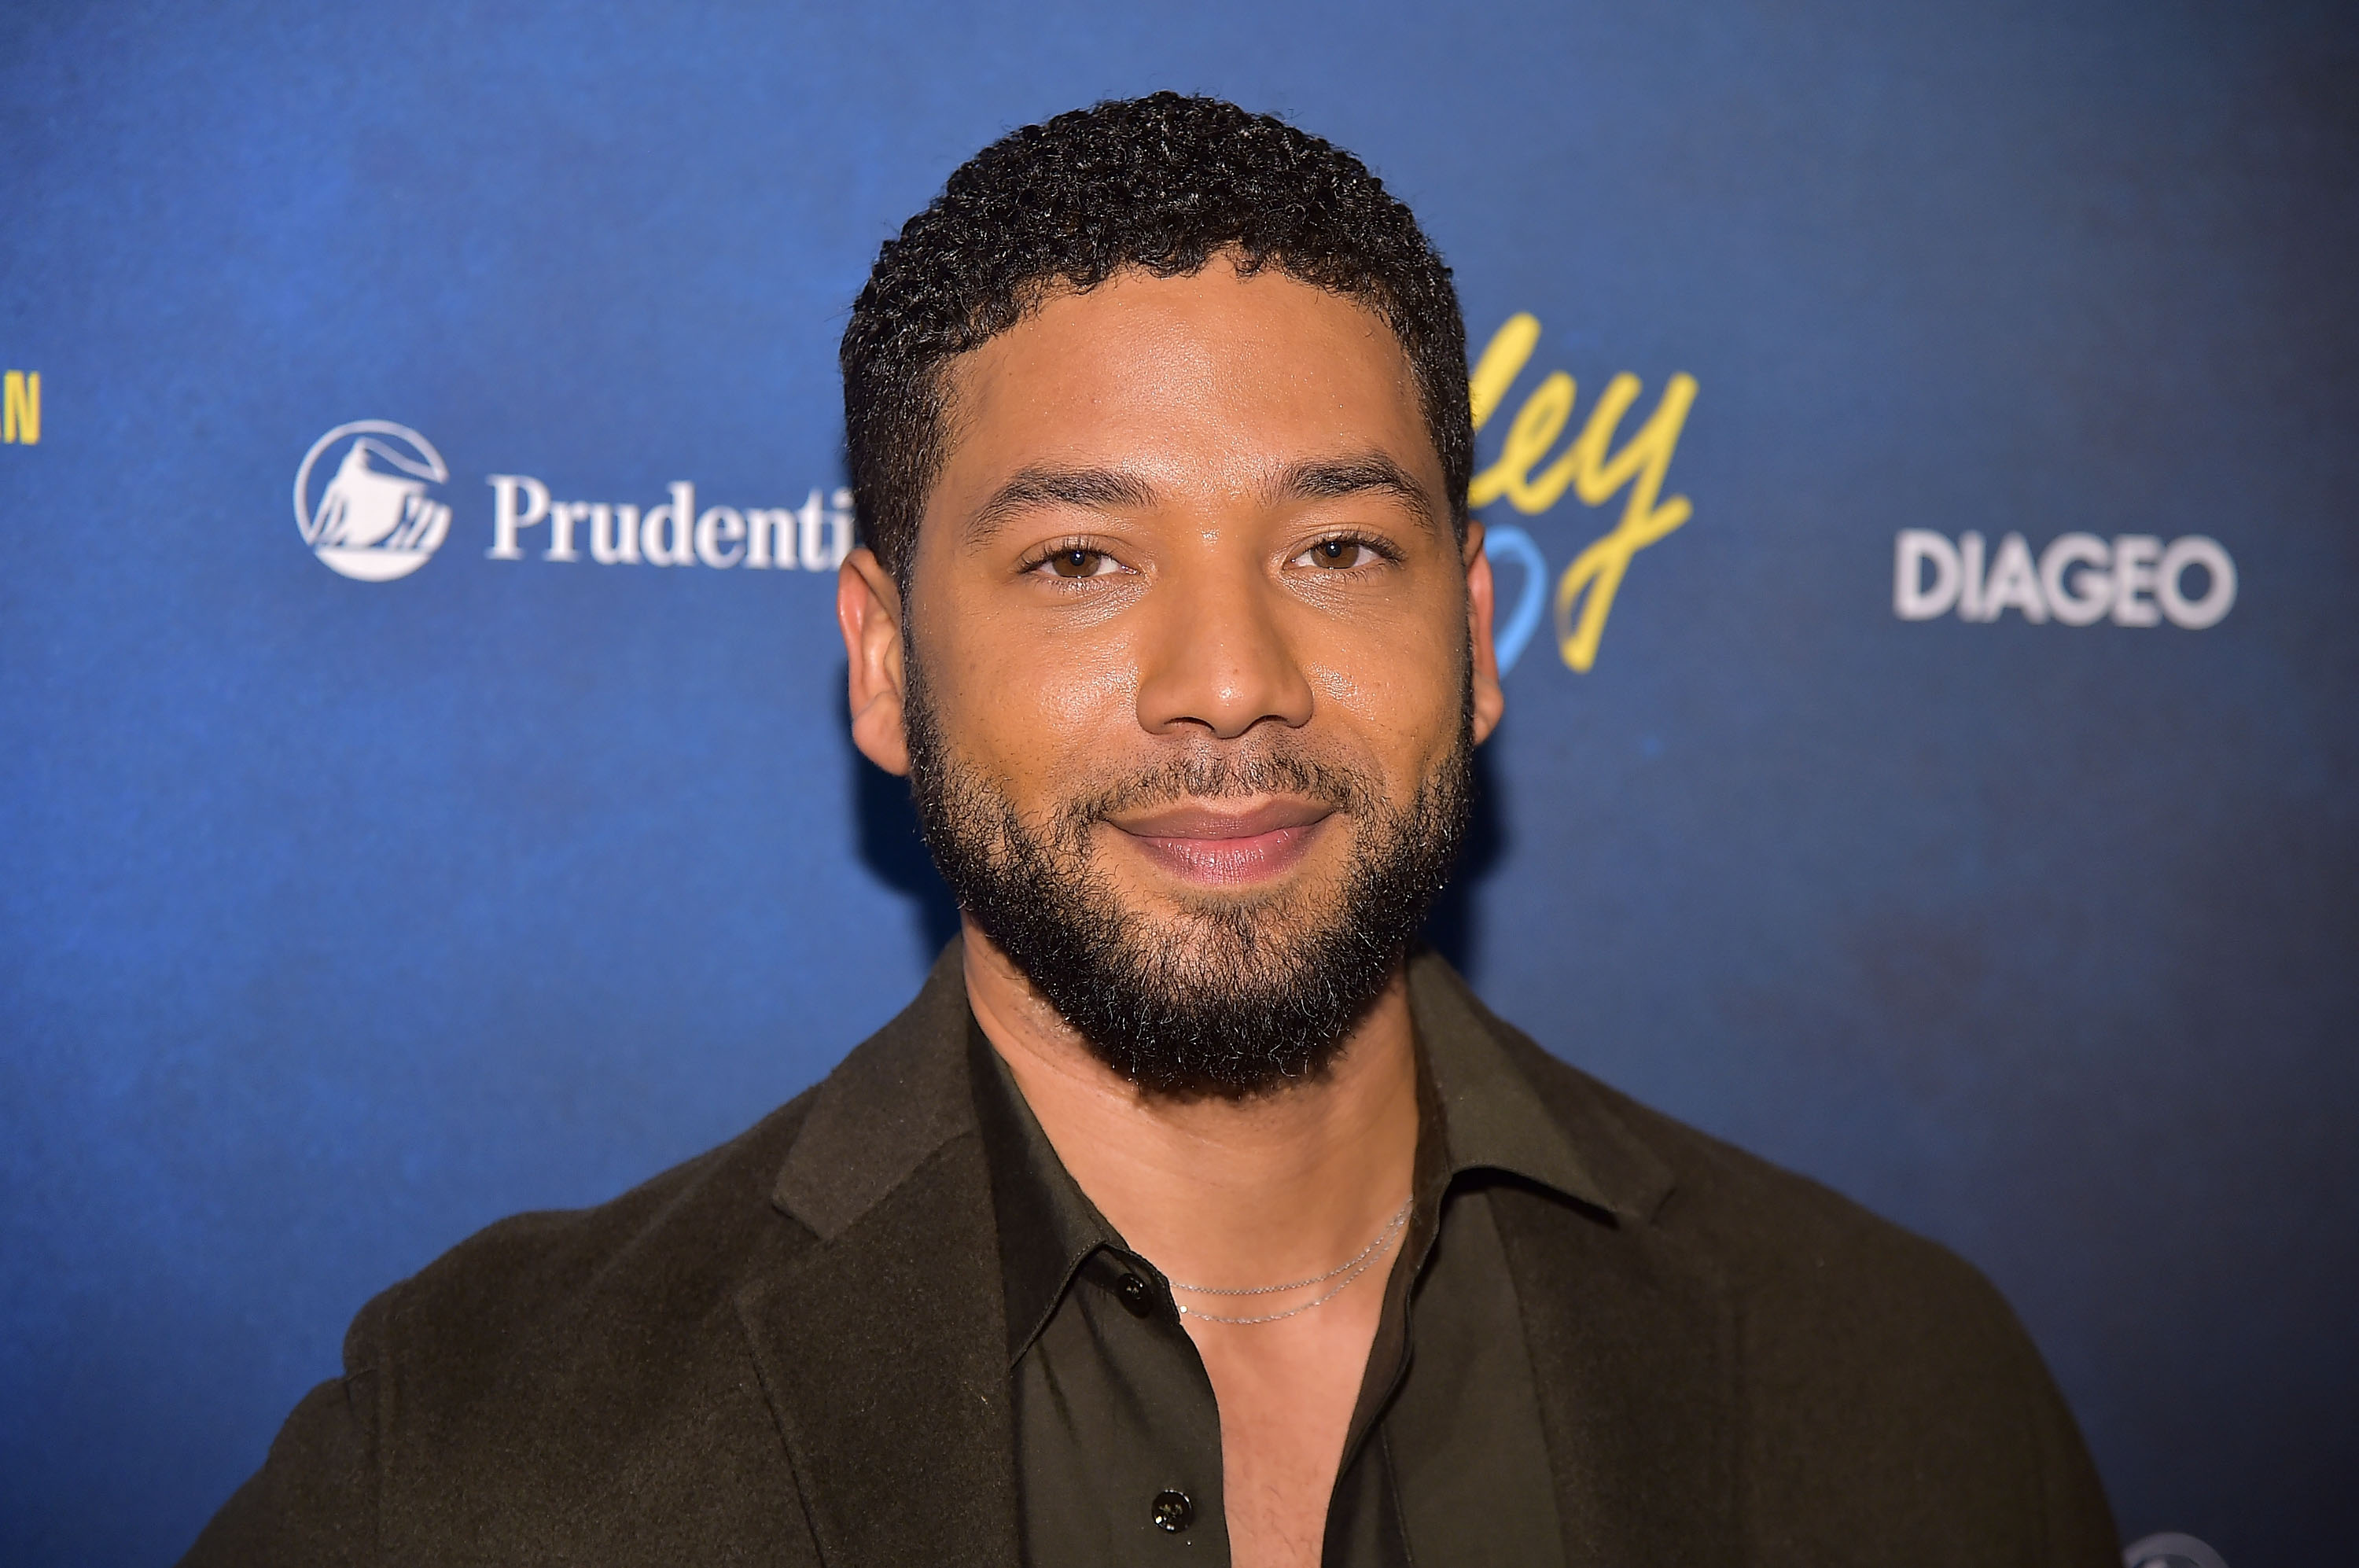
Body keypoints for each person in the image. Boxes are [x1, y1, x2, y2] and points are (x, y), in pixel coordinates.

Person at [183, 93, 2118, 1568]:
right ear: (880, 666)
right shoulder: (471, 1460)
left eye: (1338, 547)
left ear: (1471, 633)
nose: (1230, 678)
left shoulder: (1913, 1400)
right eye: (1083, 557)